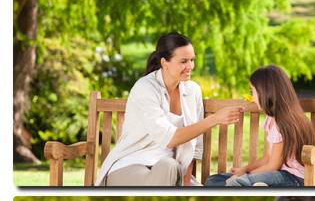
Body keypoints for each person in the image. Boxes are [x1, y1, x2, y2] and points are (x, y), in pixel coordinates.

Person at [94, 32, 242, 187]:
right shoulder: (145, 88)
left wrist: (186, 179)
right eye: (184, 61)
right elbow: (169, 138)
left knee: (187, 182)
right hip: (131, 166)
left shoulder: (193, 90)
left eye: (192, 60)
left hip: (173, 174)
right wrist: (214, 119)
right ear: (164, 63)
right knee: (168, 166)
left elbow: (195, 145)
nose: (190, 66)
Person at [203, 65, 312, 187]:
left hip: (292, 179)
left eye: (252, 91)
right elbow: (267, 157)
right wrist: (244, 169)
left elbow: (273, 166)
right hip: (275, 175)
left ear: (265, 93)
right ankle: (256, 185)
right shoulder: (270, 119)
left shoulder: (281, 124)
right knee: (213, 181)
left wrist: (245, 176)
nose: (252, 97)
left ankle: (253, 185)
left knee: (238, 182)